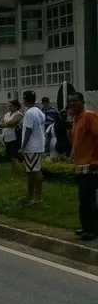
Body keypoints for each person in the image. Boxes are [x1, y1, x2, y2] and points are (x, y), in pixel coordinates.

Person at [68, 92, 98, 241]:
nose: (71, 104)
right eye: (70, 102)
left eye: (75, 101)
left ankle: (91, 230)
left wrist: (95, 160)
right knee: (84, 199)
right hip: (80, 164)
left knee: (88, 199)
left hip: (90, 165)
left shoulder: (89, 116)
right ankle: (86, 226)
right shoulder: (76, 119)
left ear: (82, 102)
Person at [20, 90, 46, 203]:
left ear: (25, 99)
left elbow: (28, 131)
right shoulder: (39, 111)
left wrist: (23, 147)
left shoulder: (30, 113)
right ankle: (30, 194)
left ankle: (38, 196)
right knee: (31, 171)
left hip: (32, 146)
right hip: (38, 144)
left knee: (35, 171)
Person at [0, 99, 24, 178]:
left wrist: (6, 124)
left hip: (14, 138)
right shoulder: (7, 114)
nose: (9, 107)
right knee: (11, 158)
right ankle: (14, 174)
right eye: (9, 106)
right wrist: (6, 124)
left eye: (11, 106)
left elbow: (11, 123)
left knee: (15, 157)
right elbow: (2, 122)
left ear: (16, 106)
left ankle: (18, 175)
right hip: (7, 137)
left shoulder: (19, 114)